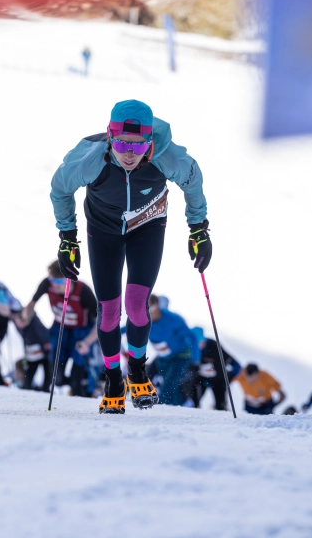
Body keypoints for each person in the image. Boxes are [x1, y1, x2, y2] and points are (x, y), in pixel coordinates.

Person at [49, 99, 210, 414]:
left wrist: (198, 229)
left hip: (147, 227)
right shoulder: (89, 158)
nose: (129, 153)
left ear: (150, 141)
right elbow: (60, 190)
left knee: (137, 305)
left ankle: (137, 371)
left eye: (139, 145)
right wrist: (67, 237)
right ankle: (113, 381)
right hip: (103, 231)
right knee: (109, 310)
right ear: (110, 136)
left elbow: (193, 182)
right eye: (122, 143)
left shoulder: (168, 157)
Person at [23, 261, 98, 397]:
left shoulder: (83, 291)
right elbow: (31, 303)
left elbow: (100, 322)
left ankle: (82, 393)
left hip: (80, 332)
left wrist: (87, 342)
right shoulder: (47, 284)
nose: (54, 285)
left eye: (59, 281)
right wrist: (25, 317)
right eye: (52, 280)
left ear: (70, 279)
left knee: (76, 380)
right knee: (56, 378)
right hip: (59, 328)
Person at [140, 294, 195, 405]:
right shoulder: (144, 320)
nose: (147, 314)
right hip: (163, 358)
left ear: (157, 306)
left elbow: (191, 337)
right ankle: (181, 406)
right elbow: (129, 328)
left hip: (180, 356)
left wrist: (195, 360)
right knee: (170, 385)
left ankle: (161, 408)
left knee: (168, 386)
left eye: (150, 310)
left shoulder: (172, 319)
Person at [181, 327, 240, 411]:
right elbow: (185, 367)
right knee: (193, 404)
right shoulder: (191, 350)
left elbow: (235, 364)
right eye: (195, 344)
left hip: (218, 381)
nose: (198, 347)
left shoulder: (214, 346)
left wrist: (230, 377)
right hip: (200, 380)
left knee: (220, 406)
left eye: (200, 343)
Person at [13, 311, 51, 391]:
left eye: (23, 320)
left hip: (45, 356)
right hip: (31, 358)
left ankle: (45, 392)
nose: (20, 323)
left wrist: (46, 351)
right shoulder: (20, 327)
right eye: (18, 320)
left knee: (47, 381)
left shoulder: (36, 324)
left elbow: (45, 340)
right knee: (27, 383)